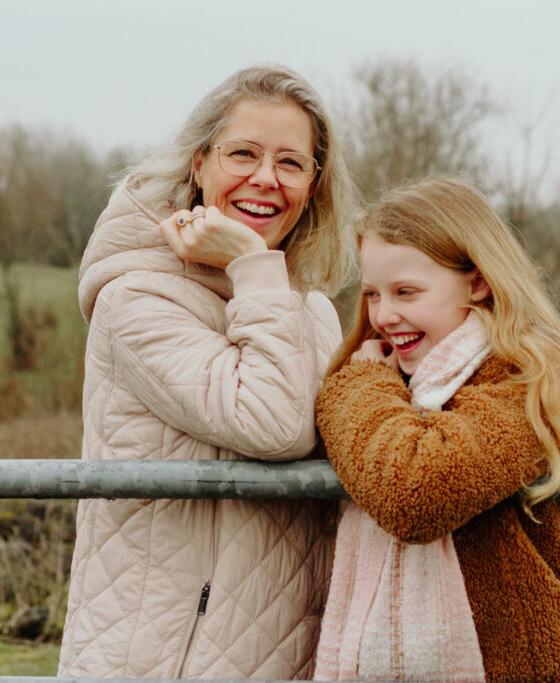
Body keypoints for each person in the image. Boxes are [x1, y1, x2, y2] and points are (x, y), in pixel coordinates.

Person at [58, 64, 355, 680]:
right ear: (199, 165)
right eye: (242, 153)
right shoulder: (136, 298)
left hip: (287, 659)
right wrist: (253, 263)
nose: (265, 179)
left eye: (292, 163)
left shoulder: (311, 310)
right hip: (164, 661)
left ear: (314, 183)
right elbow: (273, 425)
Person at [312, 177, 560, 682]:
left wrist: (362, 384)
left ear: (478, 282)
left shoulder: (532, 383)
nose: (383, 315)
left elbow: (413, 492)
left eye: (406, 291)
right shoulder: (391, 383)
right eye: (372, 294)